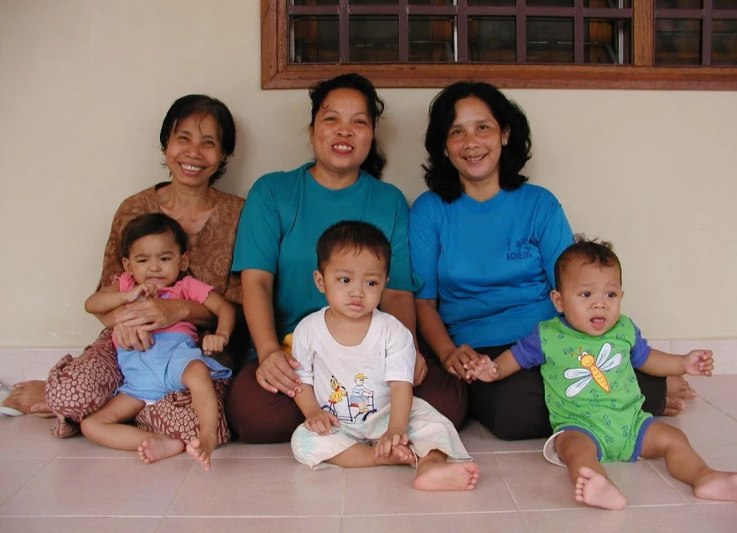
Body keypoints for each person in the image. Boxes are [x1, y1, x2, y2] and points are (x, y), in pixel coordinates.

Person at [409, 81, 684, 441]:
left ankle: (617, 391)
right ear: (444, 145)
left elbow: (574, 286)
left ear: (504, 134)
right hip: (479, 348)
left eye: (483, 128)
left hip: (555, 339)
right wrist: (447, 353)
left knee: (565, 382)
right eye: (456, 131)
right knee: (514, 415)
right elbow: (423, 303)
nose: (471, 142)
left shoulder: (539, 204)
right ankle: (619, 398)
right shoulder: (430, 210)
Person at [227, 73, 466, 444]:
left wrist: (409, 351)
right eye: (331, 119)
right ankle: (352, 419)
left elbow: (398, 292)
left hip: (372, 351)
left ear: (371, 135)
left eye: (359, 122)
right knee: (253, 416)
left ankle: (352, 420)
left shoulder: (388, 200)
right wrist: (269, 351)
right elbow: (256, 281)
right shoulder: (273, 192)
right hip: (297, 352)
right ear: (312, 130)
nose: (345, 131)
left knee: (446, 402)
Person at [1, 94, 244, 446]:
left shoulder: (238, 214)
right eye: (183, 138)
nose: (194, 152)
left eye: (209, 143)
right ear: (166, 145)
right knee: (71, 394)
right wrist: (126, 324)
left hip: (189, 349)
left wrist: (175, 309)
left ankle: (125, 408)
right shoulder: (134, 208)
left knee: (200, 428)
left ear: (223, 155)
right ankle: (79, 397)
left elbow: (236, 304)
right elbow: (105, 295)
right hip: (125, 345)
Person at [466, 237, 737, 509]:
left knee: (674, 439)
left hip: (631, 423)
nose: (600, 304)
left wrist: (683, 363)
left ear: (621, 296)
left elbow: (647, 359)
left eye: (610, 294)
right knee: (572, 449)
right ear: (559, 301)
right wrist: (494, 370)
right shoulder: (548, 335)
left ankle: (704, 477)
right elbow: (516, 357)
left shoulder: (624, 329)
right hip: (580, 425)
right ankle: (599, 485)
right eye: (586, 295)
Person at [290, 221, 478, 491]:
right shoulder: (307, 330)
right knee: (303, 440)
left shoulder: (393, 330)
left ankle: (431, 466)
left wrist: (396, 428)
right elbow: (301, 379)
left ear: (384, 284)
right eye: (344, 280)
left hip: (388, 415)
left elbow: (402, 384)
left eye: (371, 282)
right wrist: (312, 412)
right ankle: (382, 457)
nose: (357, 291)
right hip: (336, 421)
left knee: (436, 425)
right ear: (321, 281)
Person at [81, 213, 233, 470]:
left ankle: (207, 435)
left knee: (197, 372)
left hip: (176, 360)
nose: (154, 268)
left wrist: (222, 335)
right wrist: (127, 295)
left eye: (164, 259)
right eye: (143, 260)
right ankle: (157, 441)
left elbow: (225, 309)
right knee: (91, 425)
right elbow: (91, 304)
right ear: (128, 266)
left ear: (182, 260)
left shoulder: (186, 286)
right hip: (138, 379)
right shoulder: (126, 285)